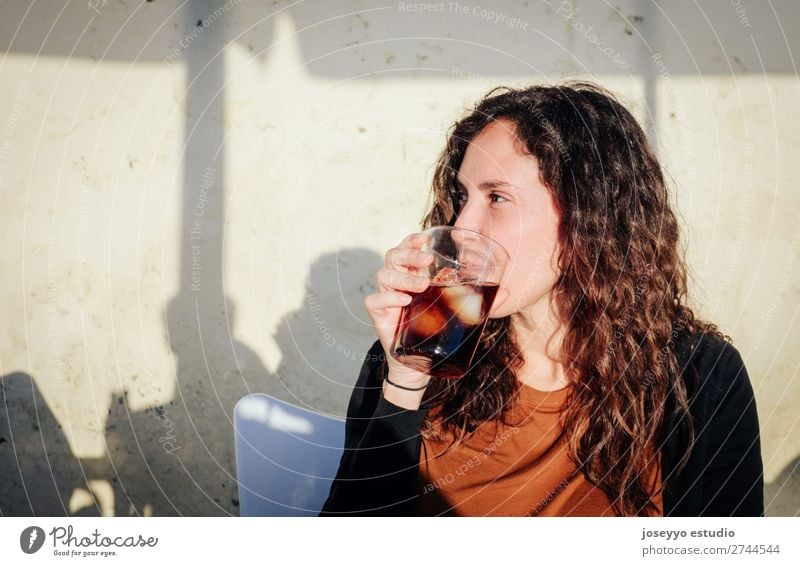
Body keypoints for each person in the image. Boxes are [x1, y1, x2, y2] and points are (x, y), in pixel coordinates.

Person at [320, 82, 764, 517]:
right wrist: (406, 376)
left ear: (588, 214)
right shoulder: (425, 352)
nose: (461, 226)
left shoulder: (699, 377)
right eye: (462, 196)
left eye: (496, 197)